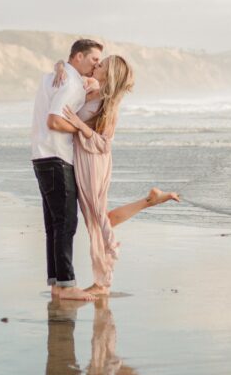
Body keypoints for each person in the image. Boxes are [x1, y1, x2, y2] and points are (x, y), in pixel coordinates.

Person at [55, 55, 180, 296]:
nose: (97, 65)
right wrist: (60, 65)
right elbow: (65, 65)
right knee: (101, 217)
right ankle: (150, 200)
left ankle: (104, 280)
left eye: (102, 65)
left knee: (96, 218)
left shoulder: (109, 106)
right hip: (83, 158)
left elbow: (105, 144)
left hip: (93, 162)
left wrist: (80, 126)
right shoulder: (91, 87)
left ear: (109, 75)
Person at [31, 38, 103, 301]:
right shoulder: (71, 83)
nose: (96, 65)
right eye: (93, 59)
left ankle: (57, 285)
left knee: (54, 224)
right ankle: (67, 284)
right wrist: (83, 130)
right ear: (78, 57)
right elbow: (54, 120)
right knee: (66, 222)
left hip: (41, 156)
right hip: (57, 156)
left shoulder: (51, 77)